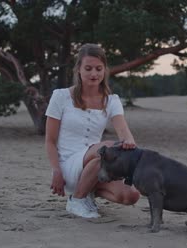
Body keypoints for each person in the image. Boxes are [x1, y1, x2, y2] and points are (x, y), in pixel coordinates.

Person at [45, 43, 140, 218]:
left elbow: (123, 130)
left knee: (131, 195)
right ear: (78, 70)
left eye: (98, 68)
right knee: (106, 149)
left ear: (105, 70)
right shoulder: (60, 96)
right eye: (88, 68)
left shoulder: (111, 100)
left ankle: (87, 191)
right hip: (68, 166)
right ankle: (77, 200)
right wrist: (56, 171)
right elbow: (50, 140)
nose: (94, 74)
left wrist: (129, 143)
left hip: (97, 165)